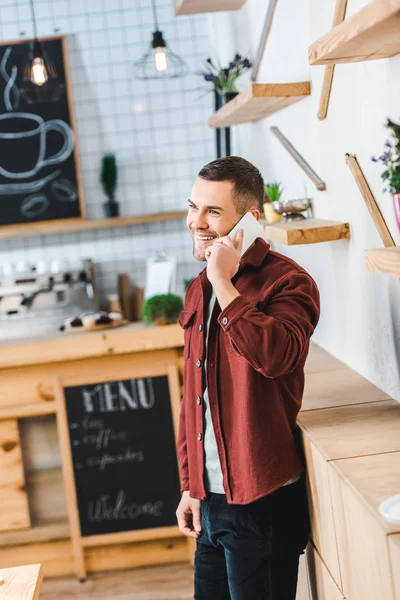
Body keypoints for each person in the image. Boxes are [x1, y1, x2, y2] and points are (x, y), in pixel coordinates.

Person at [175, 156, 320, 600]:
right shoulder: (200, 285)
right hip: (212, 503)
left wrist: (225, 285)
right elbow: (193, 397)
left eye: (213, 212)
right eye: (193, 206)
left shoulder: (289, 283)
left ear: (250, 219)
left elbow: (276, 357)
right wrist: (190, 484)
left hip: (264, 503)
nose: (196, 222)